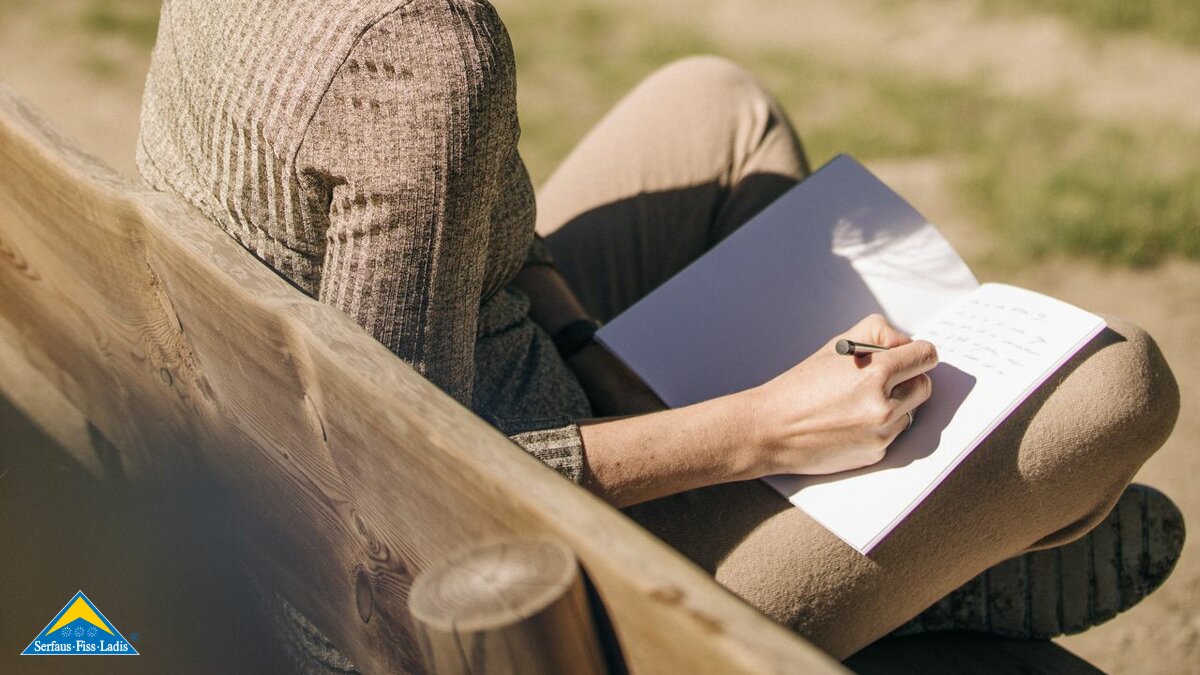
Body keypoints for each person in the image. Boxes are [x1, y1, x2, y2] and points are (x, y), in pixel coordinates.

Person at [137, 0, 1182, 671]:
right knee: (1118, 382)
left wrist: (582, 339)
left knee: (718, 104)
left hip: (350, 424)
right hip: (468, 595)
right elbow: (394, 496)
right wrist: (759, 430)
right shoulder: (422, 58)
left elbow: (454, 233)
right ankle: (922, 578)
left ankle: (882, 539)